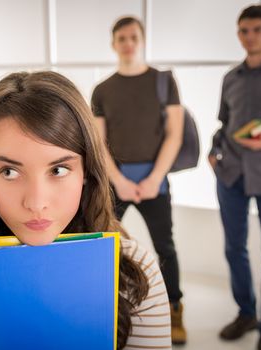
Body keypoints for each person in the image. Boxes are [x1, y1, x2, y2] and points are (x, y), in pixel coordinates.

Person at [0, 71, 172, 349]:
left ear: (86, 171)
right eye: (9, 171)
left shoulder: (135, 273)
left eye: (58, 169)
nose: (36, 203)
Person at [90, 16, 186, 344]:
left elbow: (175, 134)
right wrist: (117, 180)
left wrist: (154, 178)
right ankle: (107, 308)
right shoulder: (102, 90)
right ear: (113, 44)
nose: (128, 43)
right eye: (122, 38)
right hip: (116, 180)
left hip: (154, 180)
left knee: (166, 247)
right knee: (103, 243)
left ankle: (174, 308)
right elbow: (98, 142)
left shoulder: (163, 81)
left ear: (142, 40)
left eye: (133, 37)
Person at [209, 5, 261, 350]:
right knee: (234, 249)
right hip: (231, 175)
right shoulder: (230, 78)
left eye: (256, 29)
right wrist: (213, 153)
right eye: (243, 30)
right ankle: (246, 312)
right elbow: (224, 124)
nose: (250, 36)